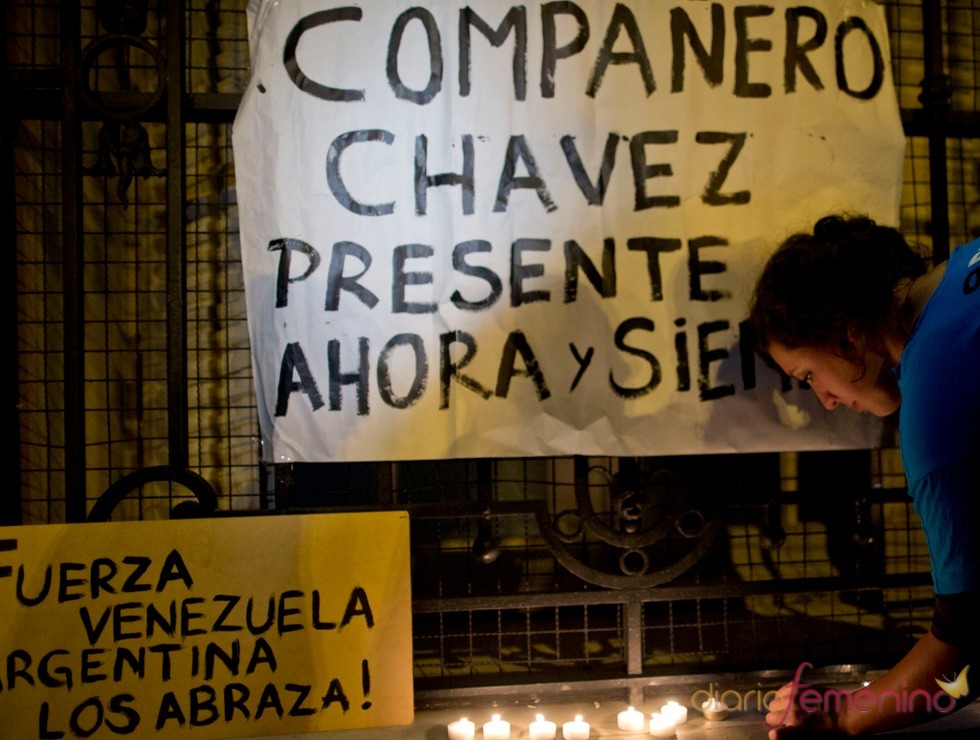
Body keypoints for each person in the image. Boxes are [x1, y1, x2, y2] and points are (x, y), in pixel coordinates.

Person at [748, 214, 980, 737]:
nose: (826, 399)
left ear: (844, 332)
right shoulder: (967, 262)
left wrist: (838, 717)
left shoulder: (934, 392)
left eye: (808, 375)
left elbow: (965, 644)